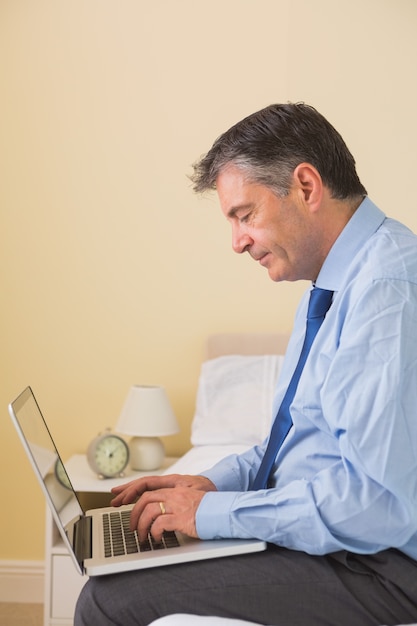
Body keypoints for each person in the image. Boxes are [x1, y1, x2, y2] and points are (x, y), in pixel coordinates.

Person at [75, 103, 417, 626]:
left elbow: (375, 504)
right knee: (118, 574)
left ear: (306, 186)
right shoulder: (329, 286)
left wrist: (212, 516)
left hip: (380, 567)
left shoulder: (387, 290)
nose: (237, 243)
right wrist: (207, 486)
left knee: (108, 601)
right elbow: (293, 446)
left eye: (244, 215)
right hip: (350, 547)